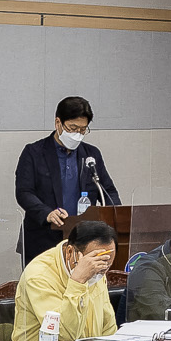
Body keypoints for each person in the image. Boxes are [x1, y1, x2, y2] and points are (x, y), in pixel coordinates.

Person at [12, 96, 120, 264]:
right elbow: (24, 192)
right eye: (73, 128)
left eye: (83, 130)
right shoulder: (34, 152)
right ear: (58, 123)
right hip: (43, 239)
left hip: (83, 241)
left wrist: (116, 217)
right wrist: (46, 213)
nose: (77, 134)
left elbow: (108, 190)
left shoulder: (91, 154)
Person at [12, 218, 120, 341]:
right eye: (94, 264)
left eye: (106, 266)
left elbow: (108, 326)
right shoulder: (38, 275)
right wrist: (78, 281)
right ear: (70, 252)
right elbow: (67, 334)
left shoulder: (98, 269)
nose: (100, 271)